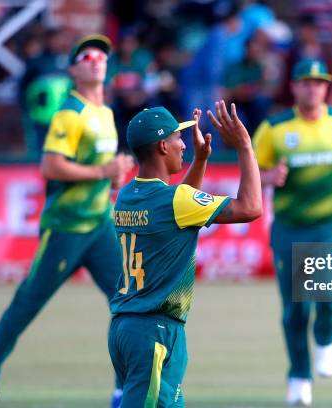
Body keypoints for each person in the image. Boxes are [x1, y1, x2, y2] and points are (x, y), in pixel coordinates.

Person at [0, 35, 134, 408]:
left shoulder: (105, 113)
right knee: (29, 301)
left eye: (102, 55)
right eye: (87, 56)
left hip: (99, 224)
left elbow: (97, 170)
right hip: (65, 226)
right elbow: (51, 166)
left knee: (128, 302)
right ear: (73, 69)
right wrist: (103, 169)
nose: (97, 60)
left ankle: (125, 390)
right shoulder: (69, 114)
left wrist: (113, 177)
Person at [108, 101, 262, 406]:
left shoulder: (127, 195)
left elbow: (178, 209)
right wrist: (245, 146)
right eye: (179, 138)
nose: (184, 145)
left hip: (128, 328)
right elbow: (251, 207)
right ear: (163, 146)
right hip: (155, 331)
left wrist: (201, 161)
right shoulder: (174, 200)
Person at [252, 58, 332, 406]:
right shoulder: (274, 127)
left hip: (331, 223)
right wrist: (269, 178)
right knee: (296, 310)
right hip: (290, 227)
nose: (312, 88)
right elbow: (252, 172)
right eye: (305, 81)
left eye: (319, 82)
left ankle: (326, 339)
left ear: (326, 87)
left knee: (330, 295)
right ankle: (299, 376)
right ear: (294, 86)